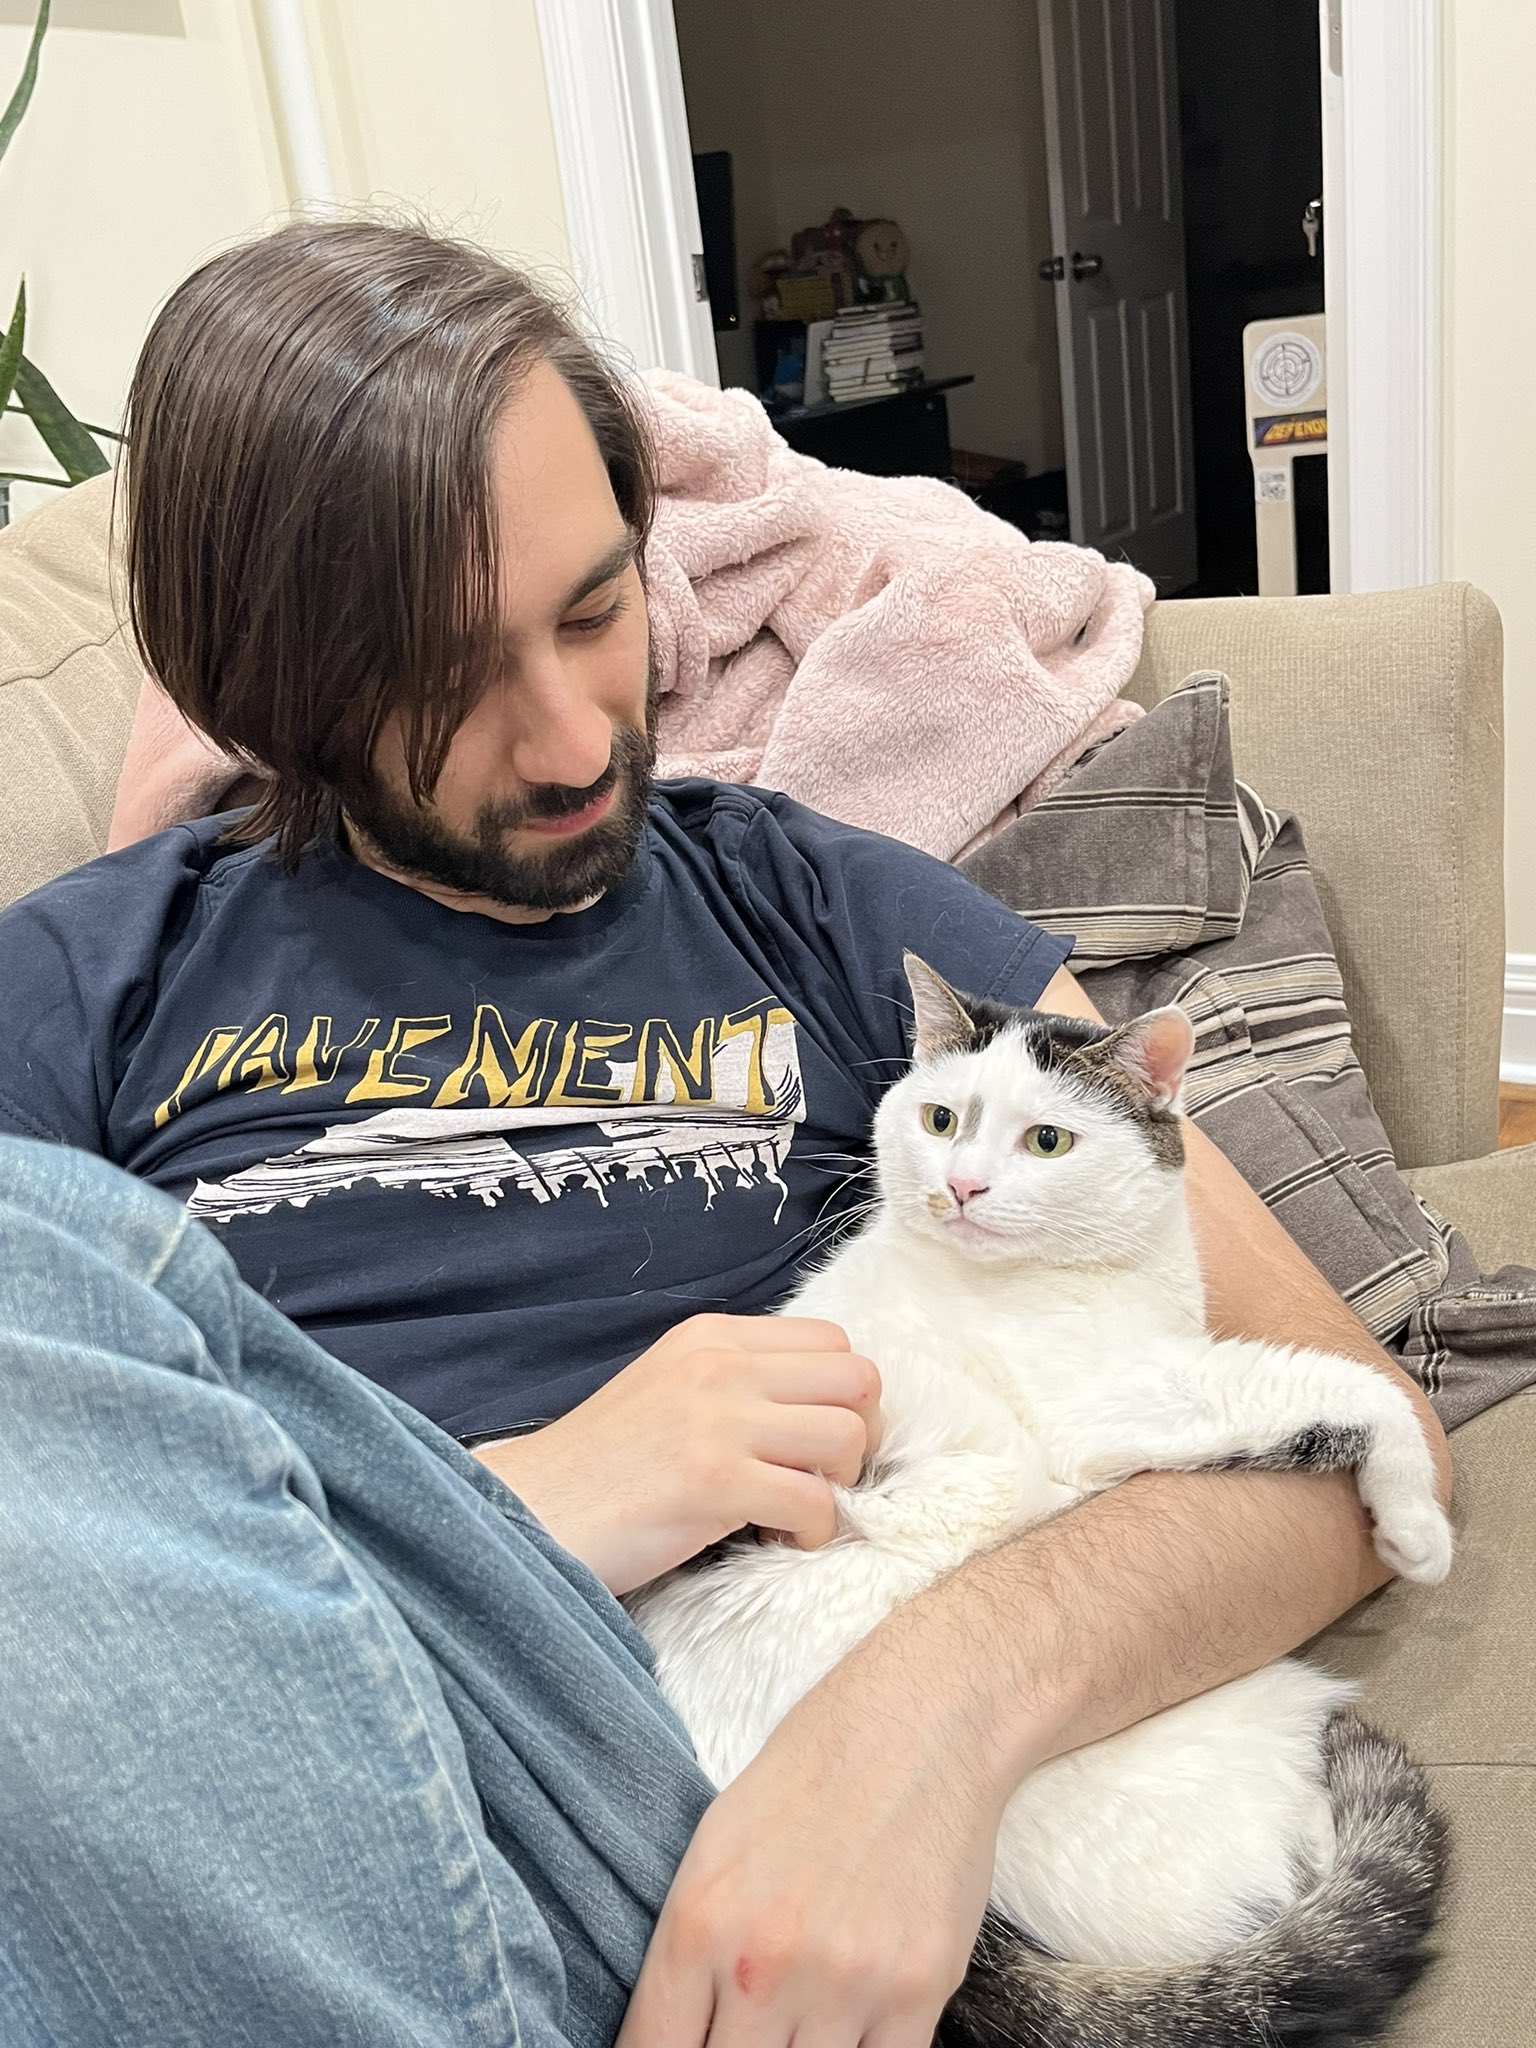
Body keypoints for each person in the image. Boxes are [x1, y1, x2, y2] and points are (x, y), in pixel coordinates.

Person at [0, 221, 1450, 2048]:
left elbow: (1358, 1430)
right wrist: (530, 1510)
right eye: (444, 676)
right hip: (270, 1753)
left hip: (701, 1769)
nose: (569, 741)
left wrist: (923, 1724)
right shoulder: (89, 975)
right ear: (273, 689)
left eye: (597, 612)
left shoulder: (822, 905)